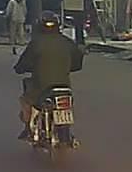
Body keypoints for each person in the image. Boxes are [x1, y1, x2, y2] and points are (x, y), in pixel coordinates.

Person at [13, 10, 84, 140]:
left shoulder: (36, 43)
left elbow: (23, 63)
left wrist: (20, 69)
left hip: (42, 87)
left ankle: (28, 127)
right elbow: (77, 63)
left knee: (26, 99)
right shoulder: (67, 42)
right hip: (64, 87)